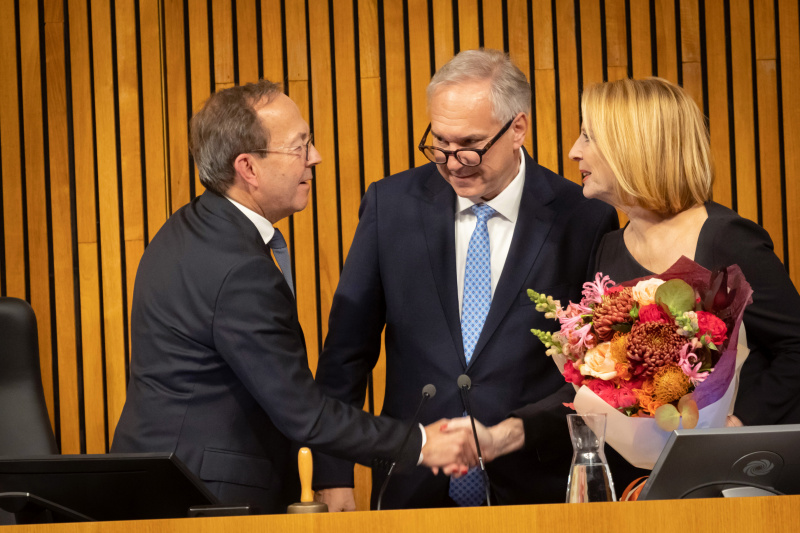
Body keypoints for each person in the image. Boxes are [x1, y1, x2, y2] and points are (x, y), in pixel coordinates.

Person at [110, 80, 477, 514]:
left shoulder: (188, 228)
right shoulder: (238, 267)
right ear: (248, 167)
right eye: (300, 146)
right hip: (202, 502)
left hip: (164, 484)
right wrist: (419, 443)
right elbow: (303, 412)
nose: (315, 157)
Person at [313, 49, 619, 510]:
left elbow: (596, 369)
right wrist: (332, 473)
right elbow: (346, 355)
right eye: (440, 143)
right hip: (412, 488)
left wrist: (514, 431)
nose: (454, 161)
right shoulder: (390, 205)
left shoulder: (584, 218)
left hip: (536, 491)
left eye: (470, 144)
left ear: (518, 128)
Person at [567, 76, 800, 490]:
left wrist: (738, 424)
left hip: (733, 482)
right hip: (636, 486)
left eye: (588, 136)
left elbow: (796, 346)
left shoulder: (728, 238)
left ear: (631, 145)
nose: (574, 152)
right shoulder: (607, 247)